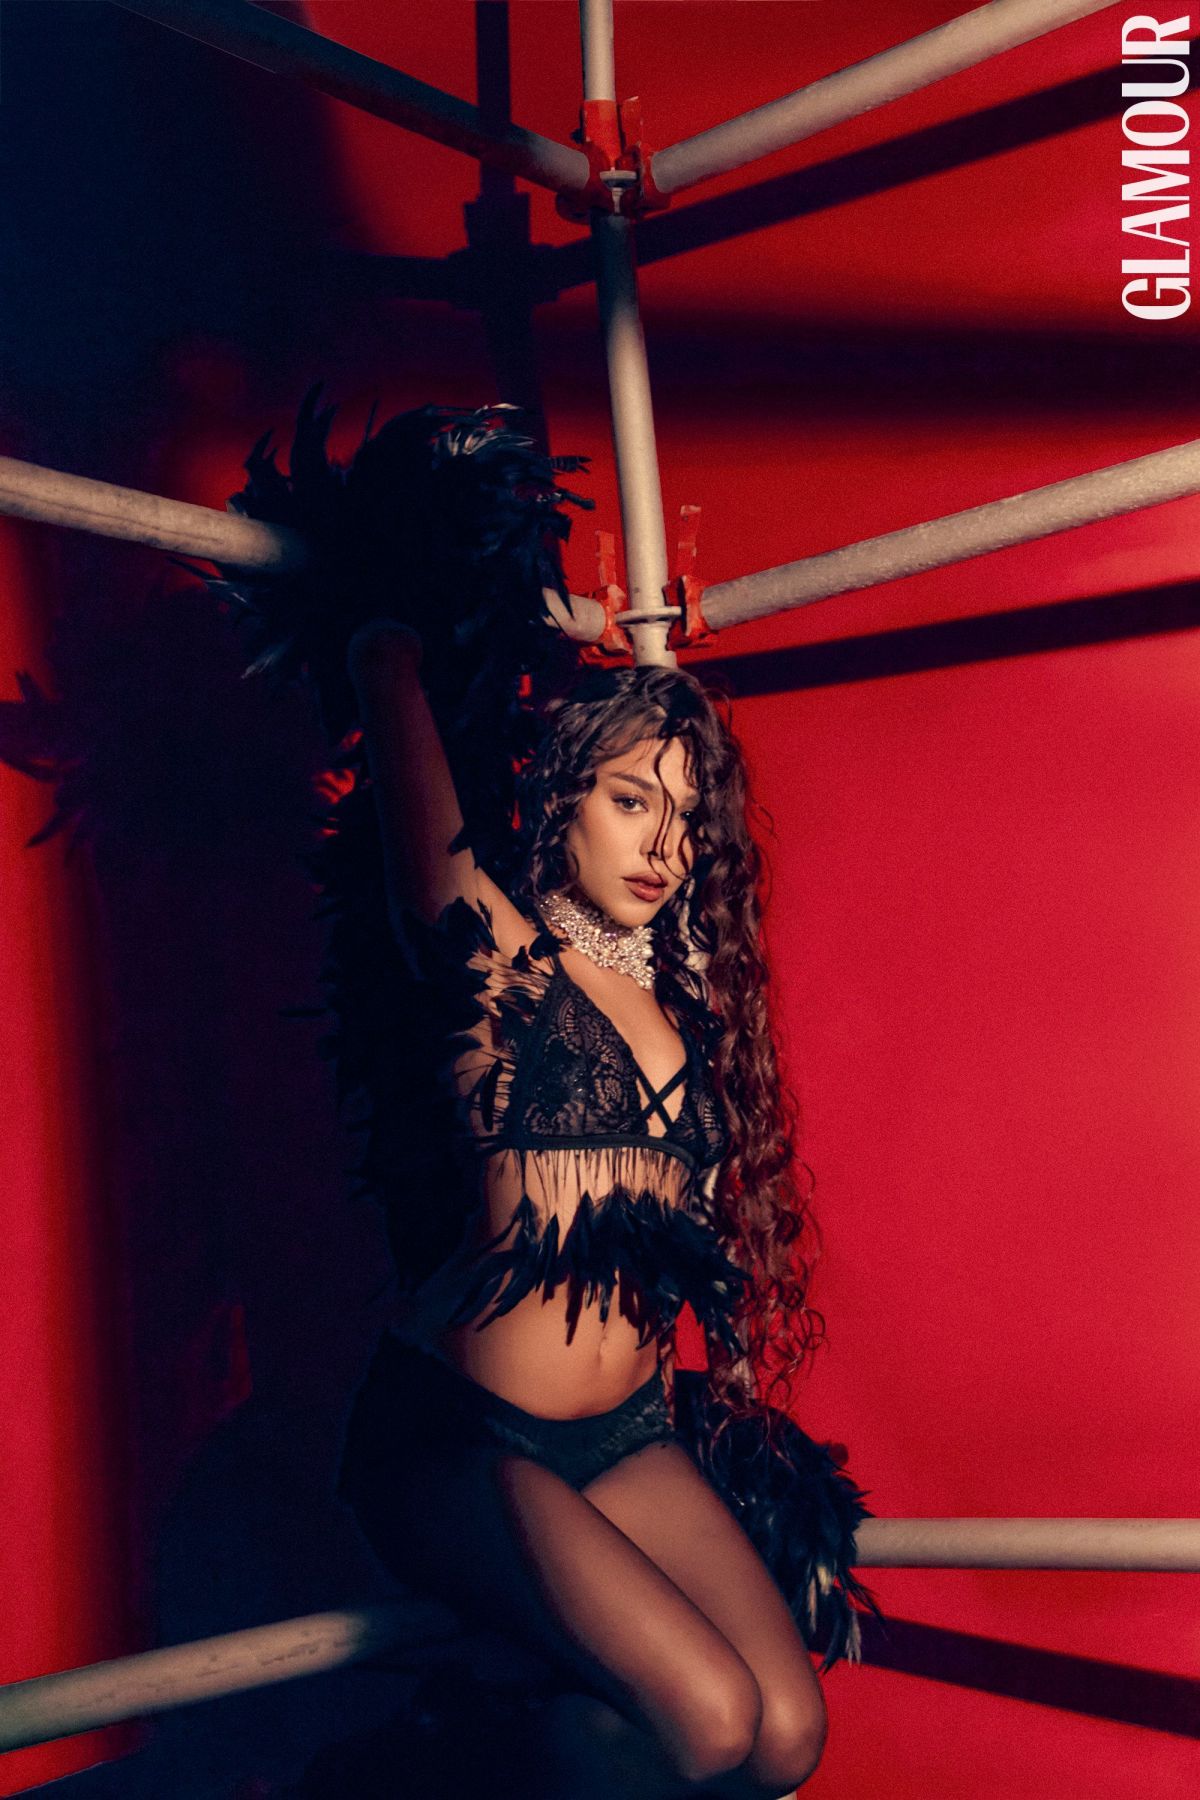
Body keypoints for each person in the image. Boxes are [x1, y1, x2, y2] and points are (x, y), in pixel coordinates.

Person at [218, 396, 872, 1800]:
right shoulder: (498, 960)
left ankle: (505, 1727)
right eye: (632, 800)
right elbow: (411, 783)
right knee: (705, 1723)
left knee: (786, 1737)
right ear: (562, 801)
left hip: (626, 1433)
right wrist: (391, 627)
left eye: (686, 816)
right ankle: (414, 1762)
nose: (663, 843)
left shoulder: (691, 1010)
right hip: (463, 1437)